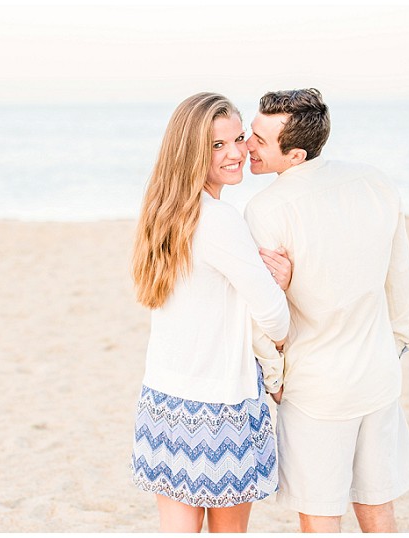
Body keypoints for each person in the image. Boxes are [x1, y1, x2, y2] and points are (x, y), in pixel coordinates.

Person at [243, 88, 409, 533]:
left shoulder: (266, 208)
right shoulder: (374, 181)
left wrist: (275, 380)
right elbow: (401, 278)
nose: (247, 145)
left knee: (321, 517)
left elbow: (265, 310)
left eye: (259, 140)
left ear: (297, 154)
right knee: (378, 507)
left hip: (316, 389)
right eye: (251, 132)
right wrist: (395, 346)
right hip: (378, 374)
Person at [129, 92, 291, 533]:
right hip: (220, 406)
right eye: (217, 145)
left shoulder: (163, 212)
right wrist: (281, 281)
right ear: (191, 152)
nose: (237, 152)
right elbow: (275, 318)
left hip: (164, 400)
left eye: (239, 139)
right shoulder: (219, 219)